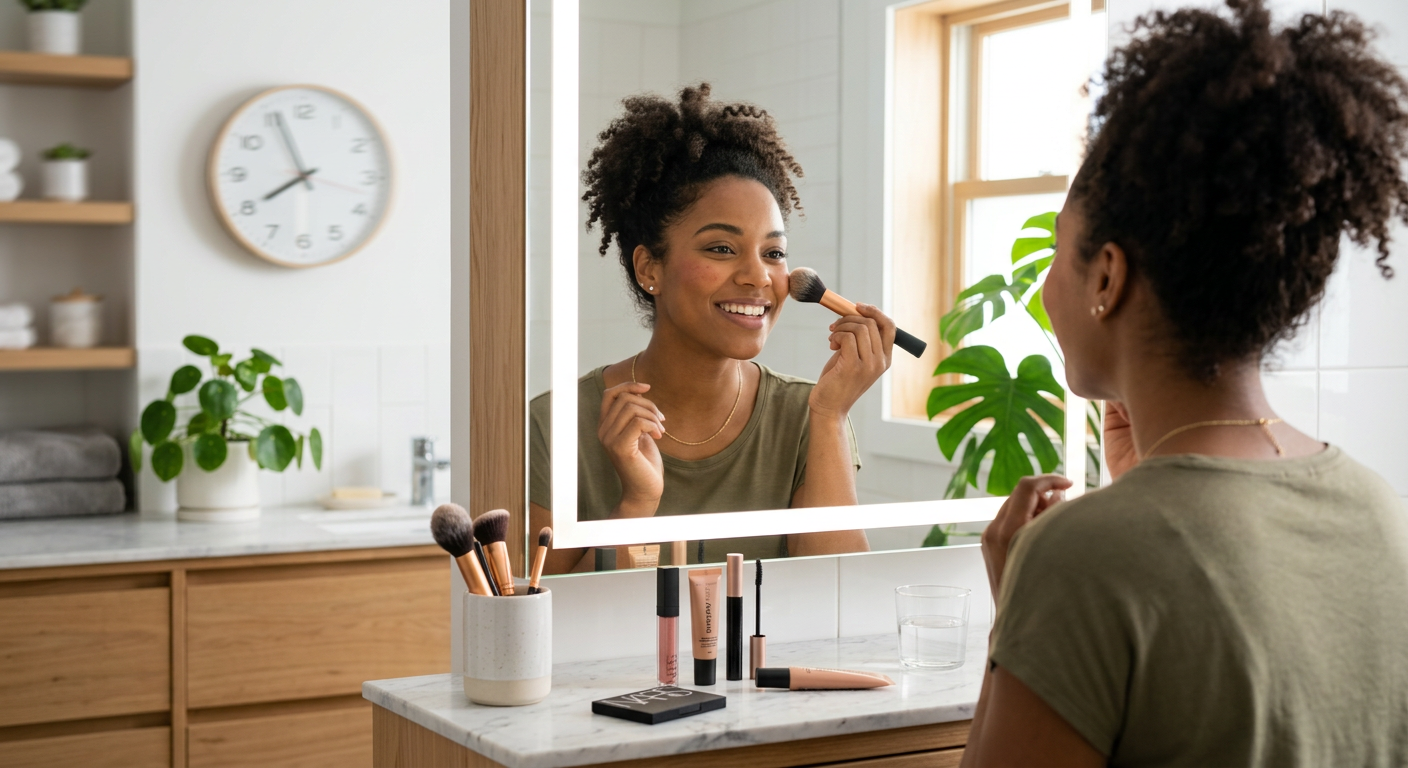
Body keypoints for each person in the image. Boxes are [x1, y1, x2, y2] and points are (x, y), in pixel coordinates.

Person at [963, 1, 1408, 765]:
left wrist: (1018, 624)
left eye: (1058, 259)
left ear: (1107, 275)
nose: (1044, 293)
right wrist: (1148, 486)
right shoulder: (1378, 510)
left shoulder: (1083, 556)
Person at [530, 84, 891, 573]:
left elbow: (839, 598)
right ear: (649, 268)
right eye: (721, 248)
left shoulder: (808, 415)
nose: (758, 276)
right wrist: (636, 502)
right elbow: (535, 623)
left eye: (774, 253)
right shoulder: (555, 425)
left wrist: (829, 415)